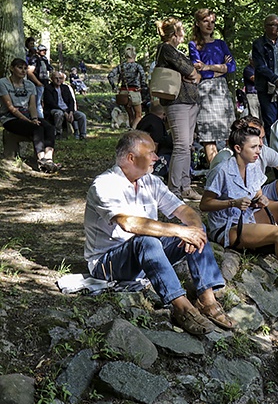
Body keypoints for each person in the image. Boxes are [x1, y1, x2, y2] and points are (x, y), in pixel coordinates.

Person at [84, 131, 232, 336]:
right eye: (151, 153)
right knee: (147, 241)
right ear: (131, 158)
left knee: (198, 230)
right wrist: (179, 231)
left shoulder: (150, 181)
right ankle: (182, 308)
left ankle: (206, 299)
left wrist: (193, 230)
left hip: (147, 256)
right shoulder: (105, 184)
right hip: (108, 263)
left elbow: (185, 211)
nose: (157, 157)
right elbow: (128, 223)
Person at [199, 125, 278, 312]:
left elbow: (257, 192)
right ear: (238, 148)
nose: (259, 151)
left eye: (259, 146)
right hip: (227, 226)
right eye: (254, 147)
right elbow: (204, 204)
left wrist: (261, 199)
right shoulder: (222, 170)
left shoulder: (252, 166)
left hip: (248, 217)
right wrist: (232, 203)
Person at [208, 116, 278, 260]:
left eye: (261, 137)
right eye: (254, 138)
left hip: (252, 201)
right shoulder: (225, 164)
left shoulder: (262, 153)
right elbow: (207, 202)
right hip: (233, 218)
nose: (259, 143)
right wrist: (234, 203)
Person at [154, 18, 203, 201]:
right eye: (181, 32)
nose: (183, 35)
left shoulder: (173, 50)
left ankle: (185, 187)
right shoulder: (166, 49)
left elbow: (189, 71)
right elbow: (189, 71)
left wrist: (192, 73)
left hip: (188, 101)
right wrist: (193, 73)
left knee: (187, 146)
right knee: (182, 146)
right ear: (175, 34)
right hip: (177, 102)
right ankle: (174, 190)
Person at [188, 8, 237, 166]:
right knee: (209, 135)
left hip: (222, 91)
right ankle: (215, 173)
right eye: (206, 21)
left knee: (230, 133)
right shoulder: (194, 45)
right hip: (205, 91)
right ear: (198, 23)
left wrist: (209, 67)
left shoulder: (221, 44)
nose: (210, 25)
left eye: (213, 22)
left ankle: (231, 172)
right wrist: (219, 68)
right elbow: (198, 69)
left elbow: (232, 67)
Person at [0, 58, 58, 171]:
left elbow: (32, 106)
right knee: (37, 129)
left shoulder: (30, 85)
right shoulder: (3, 83)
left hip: (28, 115)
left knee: (49, 128)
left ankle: (48, 159)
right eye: (19, 68)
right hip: (10, 118)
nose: (23, 71)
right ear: (12, 68)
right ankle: (41, 160)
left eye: (25, 68)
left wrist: (35, 118)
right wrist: (29, 121)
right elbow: (11, 107)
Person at [251, 14, 278, 135]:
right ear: (266, 27)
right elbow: (260, 66)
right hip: (266, 88)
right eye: (274, 25)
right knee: (270, 122)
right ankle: (273, 150)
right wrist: (275, 79)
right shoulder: (258, 44)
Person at [107, 45, 146, 129]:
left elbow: (110, 76)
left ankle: (131, 129)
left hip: (123, 93)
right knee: (138, 115)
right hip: (134, 92)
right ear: (134, 55)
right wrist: (142, 86)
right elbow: (143, 77)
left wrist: (114, 87)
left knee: (130, 114)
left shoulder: (121, 66)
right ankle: (133, 130)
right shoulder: (137, 66)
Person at [44, 71, 87, 140]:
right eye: (56, 78)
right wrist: (64, 112)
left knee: (82, 116)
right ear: (52, 79)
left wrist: (71, 112)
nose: (58, 80)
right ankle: (58, 134)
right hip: (54, 110)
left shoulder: (65, 88)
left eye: (60, 78)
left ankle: (83, 135)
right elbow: (51, 103)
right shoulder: (48, 88)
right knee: (59, 113)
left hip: (67, 109)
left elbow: (71, 101)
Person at [28, 44, 51, 118]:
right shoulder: (34, 59)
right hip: (37, 84)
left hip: (45, 84)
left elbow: (49, 69)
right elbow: (29, 72)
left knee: (44, 102)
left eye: (45, 50)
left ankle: (45, 118)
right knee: (37, 103)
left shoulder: (44, 59)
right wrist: (38, 83)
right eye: (42, 50)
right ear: (38, 51)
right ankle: (39, 119)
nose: (44, 51)